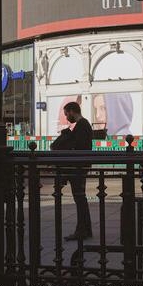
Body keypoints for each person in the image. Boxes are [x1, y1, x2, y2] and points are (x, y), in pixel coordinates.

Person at [51, 101, 93, 240]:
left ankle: (82, 230)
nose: (66, 117)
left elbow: (77, 146)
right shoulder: (84, 125)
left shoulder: (82, 125)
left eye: (66, 114)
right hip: (80, 167)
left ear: (72, 111)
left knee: (80, 198)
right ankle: (85, 229)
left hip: (78, 168)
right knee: (80, 198)